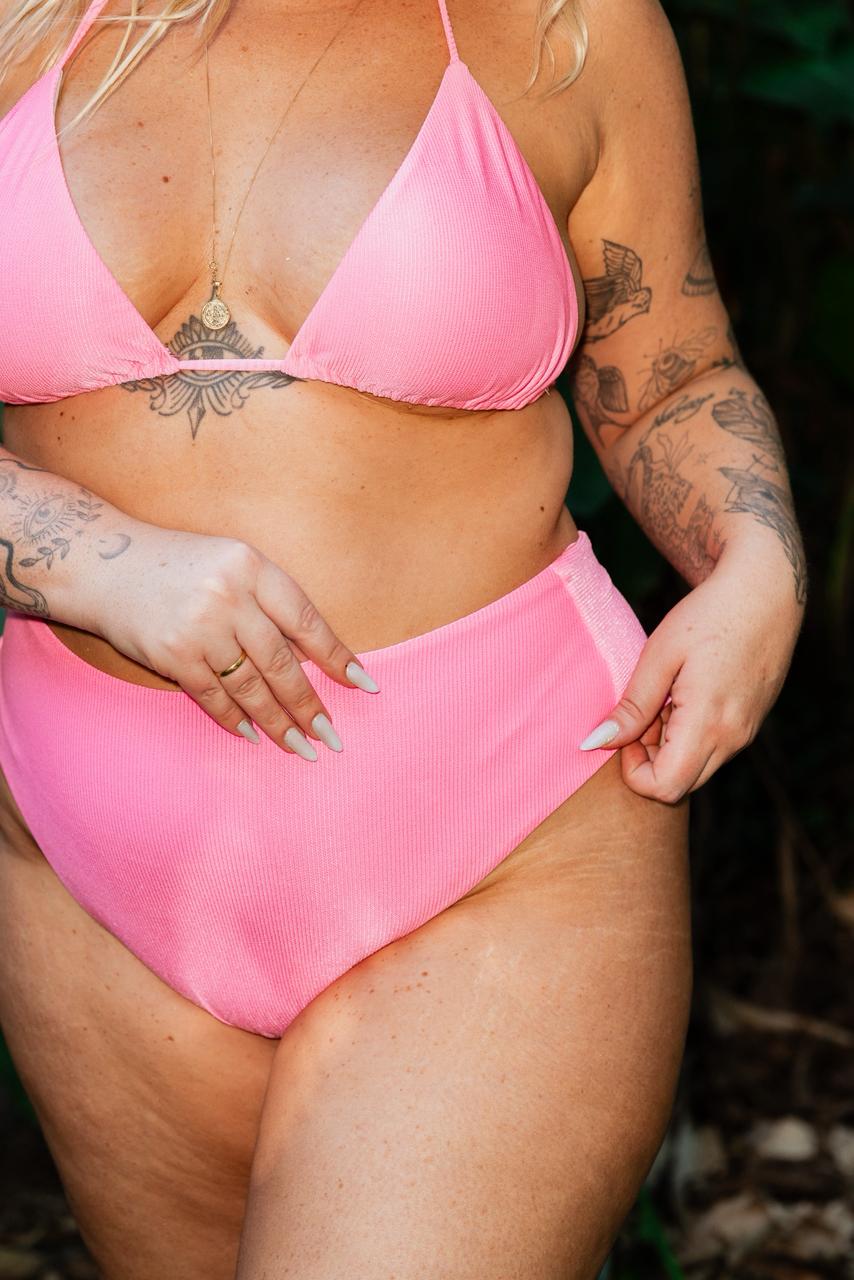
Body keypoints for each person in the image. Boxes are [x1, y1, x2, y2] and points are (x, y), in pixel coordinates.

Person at [0, 0, 806, 1276]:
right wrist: (77, 552)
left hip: (499, 827)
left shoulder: (565, 27)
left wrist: (755, 561)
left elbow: (669, 375)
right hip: (82, 853)